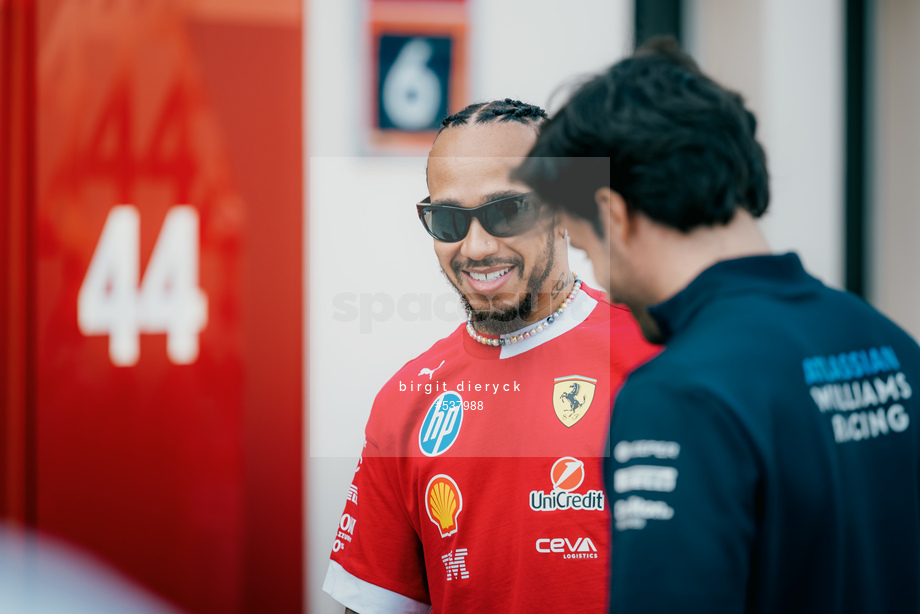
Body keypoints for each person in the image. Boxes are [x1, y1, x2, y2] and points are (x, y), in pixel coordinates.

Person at [513, 38, 920, 613]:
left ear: (613, 215)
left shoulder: (679, 397)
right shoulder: (890, 344)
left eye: (585, 250)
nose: (603, 283)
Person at [322, 99, 658, 613]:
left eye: (507, 210)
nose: (476, 248)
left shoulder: (652, 358)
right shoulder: (406, 400)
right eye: (449, 220)